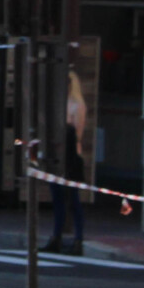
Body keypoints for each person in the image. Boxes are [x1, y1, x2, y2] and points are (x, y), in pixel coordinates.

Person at [45, 72, 89, 254]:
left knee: (73, 200)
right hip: (56, 155)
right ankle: (56, 237)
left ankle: (78, 239)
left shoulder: (77, 105)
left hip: (71, 157)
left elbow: (78, 133)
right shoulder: (58, 104)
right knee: (57, 200)